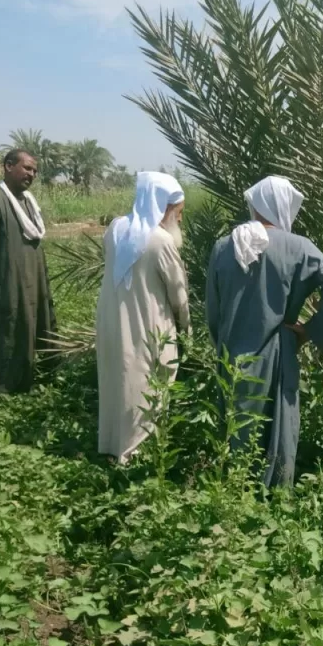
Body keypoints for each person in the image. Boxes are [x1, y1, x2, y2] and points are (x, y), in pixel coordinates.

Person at [205, 175, 323, 488]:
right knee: (278, 429)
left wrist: (223, 341)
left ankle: (234, 496)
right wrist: (308, 331)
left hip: (232, 354)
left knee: (235, 428)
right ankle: (276, 501)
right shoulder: (298, 248)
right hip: (277, 352)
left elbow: (213, 311)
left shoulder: (223, 246)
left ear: (255, 205)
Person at [95, 171, 191, 464]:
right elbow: (178, 293)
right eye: (178, 213)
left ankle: (113, 447)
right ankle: (137, 455)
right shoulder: (161, 241)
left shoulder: (114, 229)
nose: (180, 220)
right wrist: (186, 328)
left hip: (112, 321)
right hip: (147, 323)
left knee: (118, 382)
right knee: (147, 385)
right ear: (163, 206)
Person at [0, 149, 56, 397]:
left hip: (35, 281)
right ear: (8, 166)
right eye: (27, 168)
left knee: (37, 324)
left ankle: (32, 380)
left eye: (35, 170)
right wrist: (5, 269)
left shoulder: (29, 202)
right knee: (8, 330)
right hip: (8, 285)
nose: (32, 174)